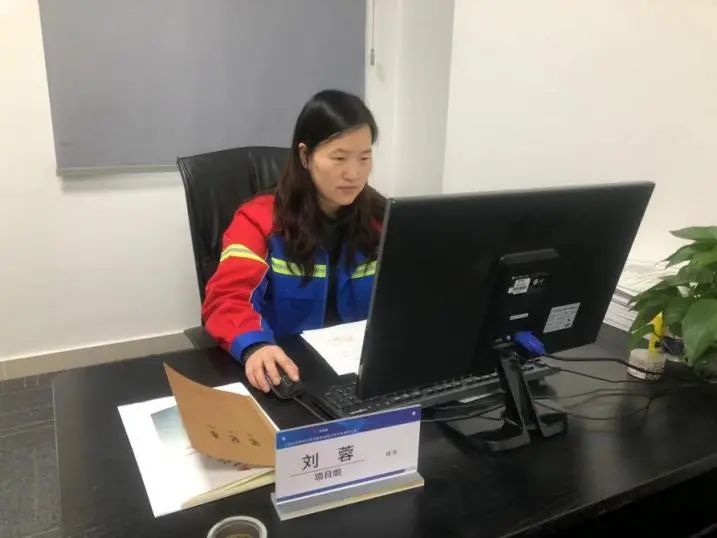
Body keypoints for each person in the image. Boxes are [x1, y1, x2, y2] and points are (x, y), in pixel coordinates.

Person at [202, 90, 385, 392]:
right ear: (305, 156)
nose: (354, 173)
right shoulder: (258, 221)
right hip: (288, 371)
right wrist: (255, 345)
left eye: (364, 158)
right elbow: (227, 298)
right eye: (339, 158)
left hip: (362, 375)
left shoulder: (382, 219)